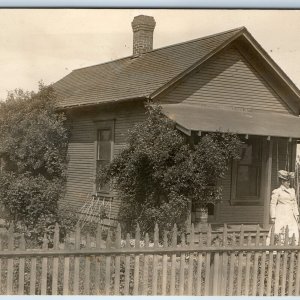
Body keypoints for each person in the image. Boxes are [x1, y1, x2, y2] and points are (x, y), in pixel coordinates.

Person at [268, 170, 299, 245]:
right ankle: (277, 248)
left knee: (292, 230)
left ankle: (291, 248)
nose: (289, 183)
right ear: (282, 182)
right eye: (287, 181)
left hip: (290, 214)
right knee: (280, 229)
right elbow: (272, 204)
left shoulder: (292, 191)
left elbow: (294, 203)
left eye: (289, 181)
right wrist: (273, 216)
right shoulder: (277, 191)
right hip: (281, 213)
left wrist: (297, 214)